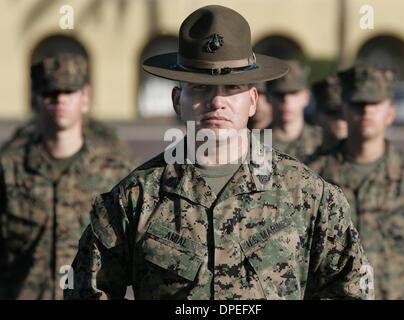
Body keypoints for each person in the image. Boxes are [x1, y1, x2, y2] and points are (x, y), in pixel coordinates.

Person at [64, 5, 373, 300]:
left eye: (231, 88)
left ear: (252, 101)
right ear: (177, 99)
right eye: (200, 88)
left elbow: (349, 289)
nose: (216, 101)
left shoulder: (308, 196)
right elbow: (88, 291)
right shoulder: (135, 199)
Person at [0, 53, 134, 299]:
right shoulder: (8, 169)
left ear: (85, 99)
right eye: (50, 94)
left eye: (69, 92)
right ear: (34, 101)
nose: (60, 100)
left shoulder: (116, 169)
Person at [308, 63, 404, 299]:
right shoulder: (313, 180)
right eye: (357, 104)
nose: (366, 111)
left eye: (374, 104)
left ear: (390, 113)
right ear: (344, 110)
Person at [266, 60, 322, 163]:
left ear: (306, 97)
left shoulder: (321, 141)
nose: (286, 100)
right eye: (280, 94)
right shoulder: (257, 142)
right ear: (268, 98)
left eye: (293, 93)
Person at [312, 75, 348, 153]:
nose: (340, 118)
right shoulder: (300, 161)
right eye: (332, 112)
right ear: (317, 116)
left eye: (346, 113)